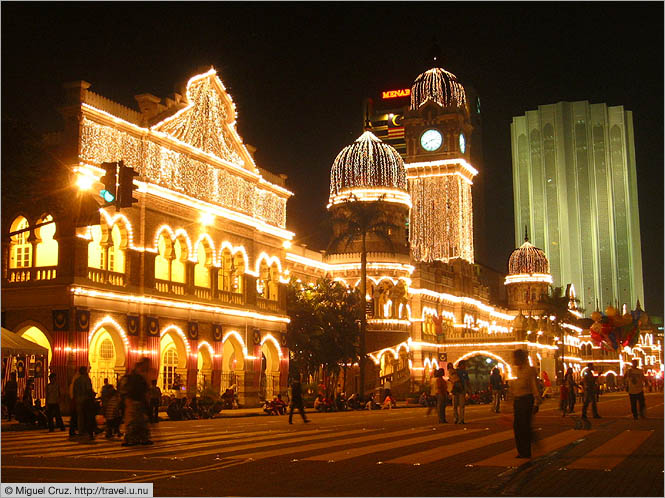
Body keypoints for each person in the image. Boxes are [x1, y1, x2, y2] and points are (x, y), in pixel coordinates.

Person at [510, 349, 542, 458]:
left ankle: (526, 451)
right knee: (517, 427)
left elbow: (534, 387)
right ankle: (522, 450)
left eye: (515, 358)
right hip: (518, 401)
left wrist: (537, 403)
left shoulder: (530, 370)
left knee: (524, 427)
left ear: (521, 358)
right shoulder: (518, 370)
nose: (513, 360)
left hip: (526, 401)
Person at [121, 357, 153, 446]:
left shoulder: (138, 375)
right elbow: (141, 389)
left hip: (137, 400)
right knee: (133, 421)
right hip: (133, 400)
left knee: (141, 421)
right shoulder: (136, 376)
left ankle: (141, 438)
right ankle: (130, 439)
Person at [73, 366, 96, 439]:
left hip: (78, 399)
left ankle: (80, 430)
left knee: (80, 416)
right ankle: (87, 430)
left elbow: (74, 391)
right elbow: (88, 390)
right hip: (86, 399)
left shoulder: (77, 380)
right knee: (87, 416)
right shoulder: (86, 379)